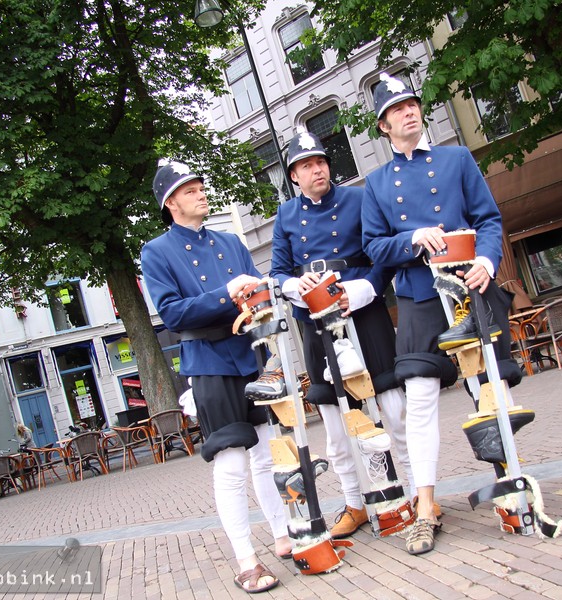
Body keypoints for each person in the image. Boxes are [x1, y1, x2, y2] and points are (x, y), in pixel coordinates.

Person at [361, 73, 515, 555]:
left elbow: (488, 219)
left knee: (487, 389)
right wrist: (411, 239)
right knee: (421, 398)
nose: (409, 112)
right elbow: (372, 245)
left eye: (412, 104)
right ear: (384, 126)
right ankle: (426, 506)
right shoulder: (378, 182)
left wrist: (488, 260)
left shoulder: (456, 158)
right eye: (397, 109)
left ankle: (511, 484)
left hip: (471, 287)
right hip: (419, 299)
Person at [141, 162, 290, 593]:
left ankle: (283, 536)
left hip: (250, 356)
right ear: (171, 203)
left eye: (201, 186)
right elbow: (172, 313)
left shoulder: (231, 242)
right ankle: (246, 561)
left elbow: (257, 303)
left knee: (266, 456)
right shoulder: (157, 251)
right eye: (190, 190)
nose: (201, 193)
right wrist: (226, 294)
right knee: (230, 464)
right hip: (207, 363)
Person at [268, 128, 416, 538]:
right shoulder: (285, 216)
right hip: (316, 324)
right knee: (335, 423)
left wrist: (364, 288)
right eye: (305, 166)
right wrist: (291, 287)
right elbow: (278, 270)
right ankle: (354, 502)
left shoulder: (358, 197)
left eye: (320, 162)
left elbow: (381, 253)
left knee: (393, 410)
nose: (316, 170)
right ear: (293, 176)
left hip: (362, 311)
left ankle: (415, 492)